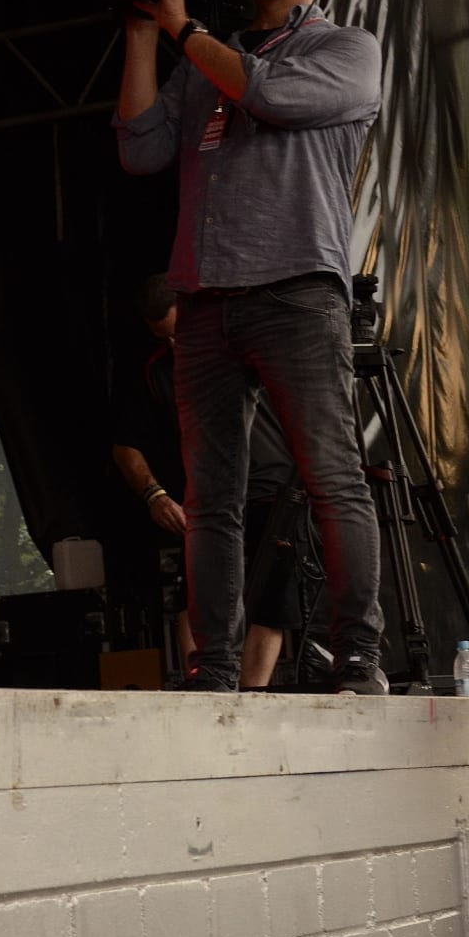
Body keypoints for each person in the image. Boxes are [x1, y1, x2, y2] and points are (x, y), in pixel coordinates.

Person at [114, 0, 385, 694]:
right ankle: (215, 667)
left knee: (331, 476)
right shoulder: (210, 55)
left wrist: (182, 28)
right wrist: (143, 31)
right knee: (211, 499)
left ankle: (359, 657)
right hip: (204, 298)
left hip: (297, 289)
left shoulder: (346, 49)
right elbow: (139, 147)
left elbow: (267, 94)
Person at [111, 274, 301, 688]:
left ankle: (253, 696)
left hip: (272, 488)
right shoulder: (156, 369)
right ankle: (206, 694)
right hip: (209, 494)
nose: (175, 344)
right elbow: (125, 444)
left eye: (179, 332)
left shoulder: (247, 341)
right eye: (165, 338)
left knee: (272, 599)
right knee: (196, 594)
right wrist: (155, 495)